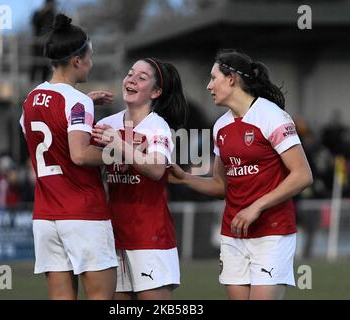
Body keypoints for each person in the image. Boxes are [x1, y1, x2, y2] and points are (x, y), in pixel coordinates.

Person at [169, 49, 313, 300]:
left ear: (232, 79)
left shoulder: (272, 116)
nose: (208, 86)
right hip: (233, 234)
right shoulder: (220, 126)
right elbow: (220, 186)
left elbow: (302, 175)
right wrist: (184, 178)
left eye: (214, 78)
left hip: (273, 232)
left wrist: (255, 207)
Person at [19, 13, 117, 300]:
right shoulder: (76, 101)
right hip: (82, 213)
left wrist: (84, 104)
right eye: (90, 56)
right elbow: (79, 154)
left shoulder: (30, 99)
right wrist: (122, 153)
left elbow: (49, 138)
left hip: (46, 217)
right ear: (77, 60)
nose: (91, 62)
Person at [92, 58, 188, 300]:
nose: (131, 79)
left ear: (155, 92)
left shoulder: (157, 127)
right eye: (130, 73)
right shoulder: (106, 124)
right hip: (113, 237)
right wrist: (81, 104)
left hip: (150, 238)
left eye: (142, 78)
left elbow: (156, 169)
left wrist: (118, 143)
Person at [30, 0, 56, 82]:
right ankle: (32, 81)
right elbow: (34, 23)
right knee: (35, 62)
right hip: (37, 43)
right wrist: (43, 12)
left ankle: (44, 82)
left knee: (46, 64)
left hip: (47, 43)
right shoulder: (38, 13)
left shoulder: (52, 15)